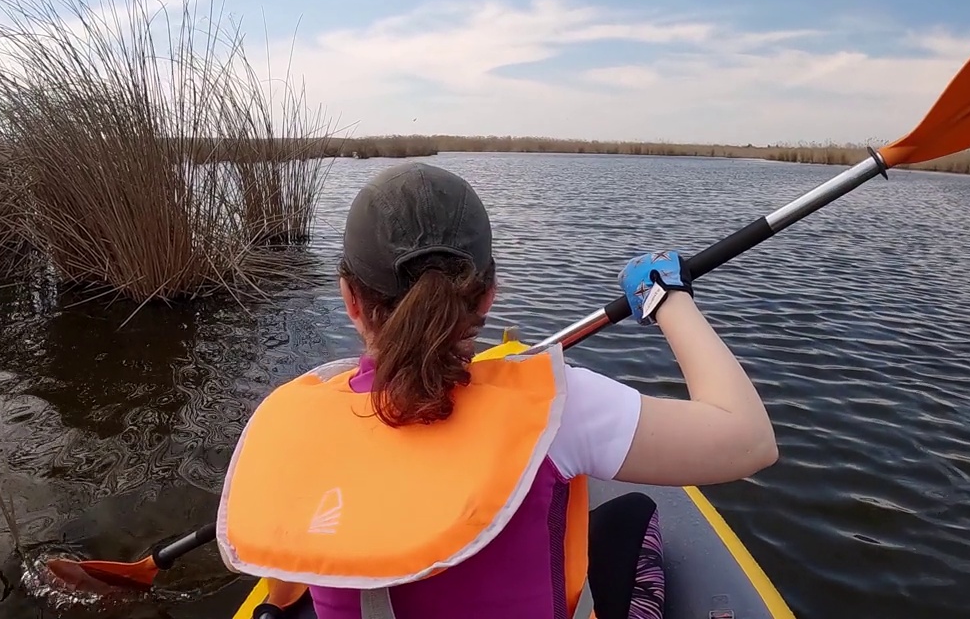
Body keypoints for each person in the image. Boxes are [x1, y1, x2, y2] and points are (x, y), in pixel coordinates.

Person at [216, 162, 779, 619]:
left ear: (350, 299)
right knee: (633, 514)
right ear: (488, 296)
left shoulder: (300, 423)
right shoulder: (563, 408)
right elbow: (749, 439)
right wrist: (665, 298)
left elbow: (288, 581)